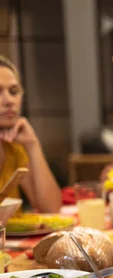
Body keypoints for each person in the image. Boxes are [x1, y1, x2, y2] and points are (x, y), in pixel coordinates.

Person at [0, 55, 61, 212]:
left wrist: (33, 145)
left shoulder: (13, 147)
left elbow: (51, 210)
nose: (9, 101)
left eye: (14, 92)